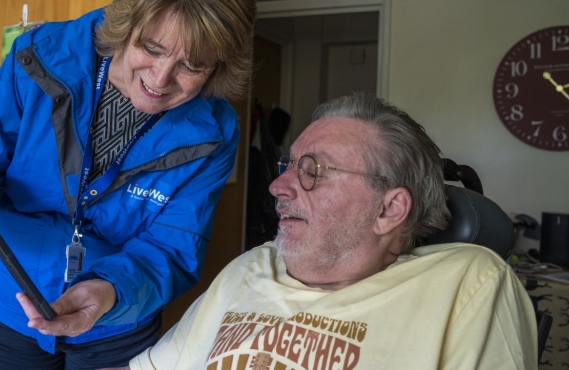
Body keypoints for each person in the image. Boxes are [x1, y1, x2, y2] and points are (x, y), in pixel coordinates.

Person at [0, 0, 257, 368]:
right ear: (127, 24)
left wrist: (111, 291)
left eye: (191, 65)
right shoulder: (38, 55)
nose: (160, 79)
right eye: (152, 49)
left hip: (116, 324)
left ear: (219, 66)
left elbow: (172, 248)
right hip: (7, 307)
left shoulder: (216, 131)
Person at [128, 92, 538, 369]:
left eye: (313, 171)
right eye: (288, 165)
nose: (276, 186)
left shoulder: (467, 283)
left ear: (389, 209)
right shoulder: (252, 266)